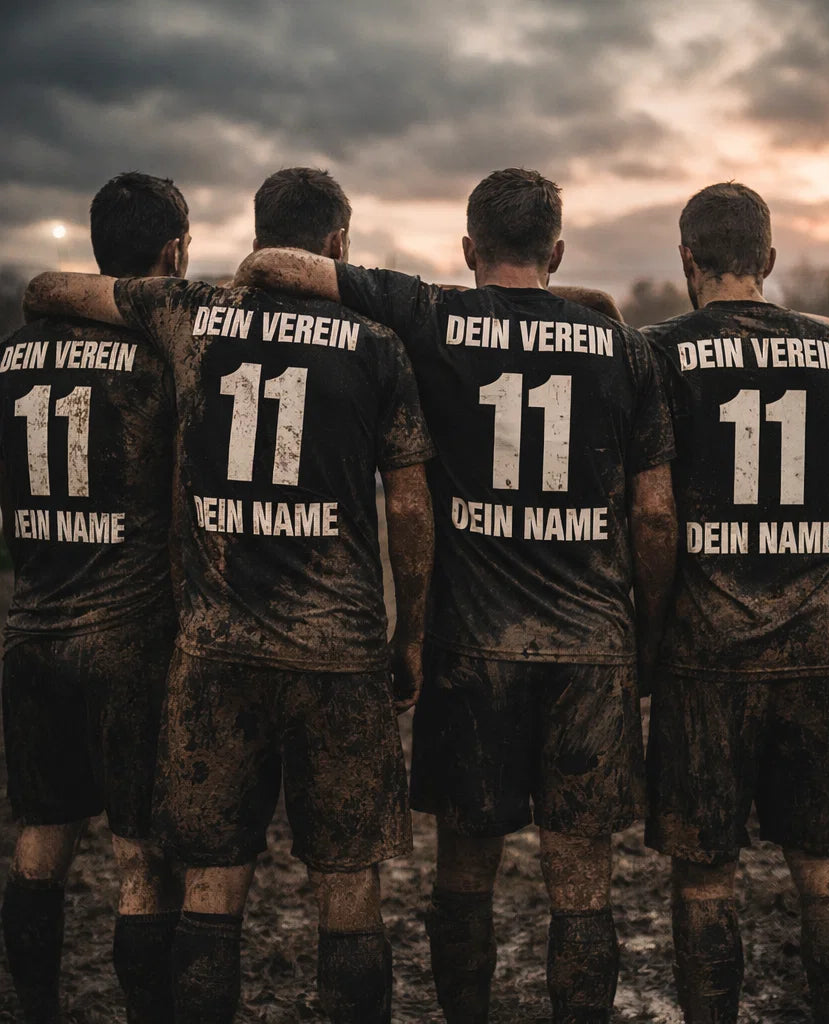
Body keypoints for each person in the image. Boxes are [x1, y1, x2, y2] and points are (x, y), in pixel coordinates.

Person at [234, 166, 679, 1024]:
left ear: (469, 247)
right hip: (591, 650)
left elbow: (278, 267)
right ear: (557, 250)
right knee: (582, 881)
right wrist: (649, 636)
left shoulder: (432, 312)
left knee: (464, 874)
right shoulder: (627, 350)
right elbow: (656, 516)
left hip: (471, 648)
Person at [22, 167, 435, 1024]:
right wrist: (411, 634)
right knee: (349, 885)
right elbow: (408, 507)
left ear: (254, 233)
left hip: (217, 650)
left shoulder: (191, 313)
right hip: (338, 649)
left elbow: (50, 289)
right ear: (338, 243)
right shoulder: (377, 343)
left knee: (211, 881)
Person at [643, 182, 829, 1024]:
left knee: (704, 875)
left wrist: (651, 632)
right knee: (826, 869)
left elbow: (652, 515)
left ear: (688, 259)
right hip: (819, 648)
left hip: (704, 656)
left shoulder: (659, 354)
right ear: (771, 259)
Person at [0, 171, 187, 1023]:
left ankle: (34, 1009)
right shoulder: (158, 355)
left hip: (31, 627)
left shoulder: (12, 353)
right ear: (173, 252)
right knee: (139, 854)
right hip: (129, 636)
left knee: (41, 838)